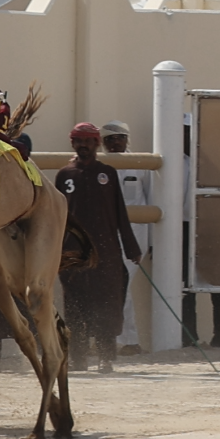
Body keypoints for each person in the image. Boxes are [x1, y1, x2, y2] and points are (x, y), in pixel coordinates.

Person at [55, 120, 141, 371]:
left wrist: (131, 248)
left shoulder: (108, 174)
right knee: (75, 307)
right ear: (73, 143)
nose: (84, 146)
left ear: (97, 144)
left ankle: (105, 357)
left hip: (106, 253)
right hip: (72, 253)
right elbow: (57, 216)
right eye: (79, 141)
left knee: (106, 305)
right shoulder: (64, 175)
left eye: (89, 141)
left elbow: (120, 214)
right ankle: (78, 359)